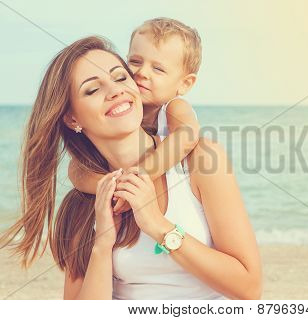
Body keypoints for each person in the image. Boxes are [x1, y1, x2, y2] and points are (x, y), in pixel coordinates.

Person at [0, 36, 262, 300]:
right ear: (72, 118)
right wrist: (102, 245)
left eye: (120, 78)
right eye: (92, 90)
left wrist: (158, 226)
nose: (115, 91)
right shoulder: (81, 203)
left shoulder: (199, 161)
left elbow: (249, 289)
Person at [69, 18, 202, 215]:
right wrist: (118, 188)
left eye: (158, 69)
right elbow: (76, 171)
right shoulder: (119, 111)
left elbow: (187, 135)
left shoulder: (173, 107)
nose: (142, 73)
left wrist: (142, 175)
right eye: (135, 62)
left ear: (184, 84)